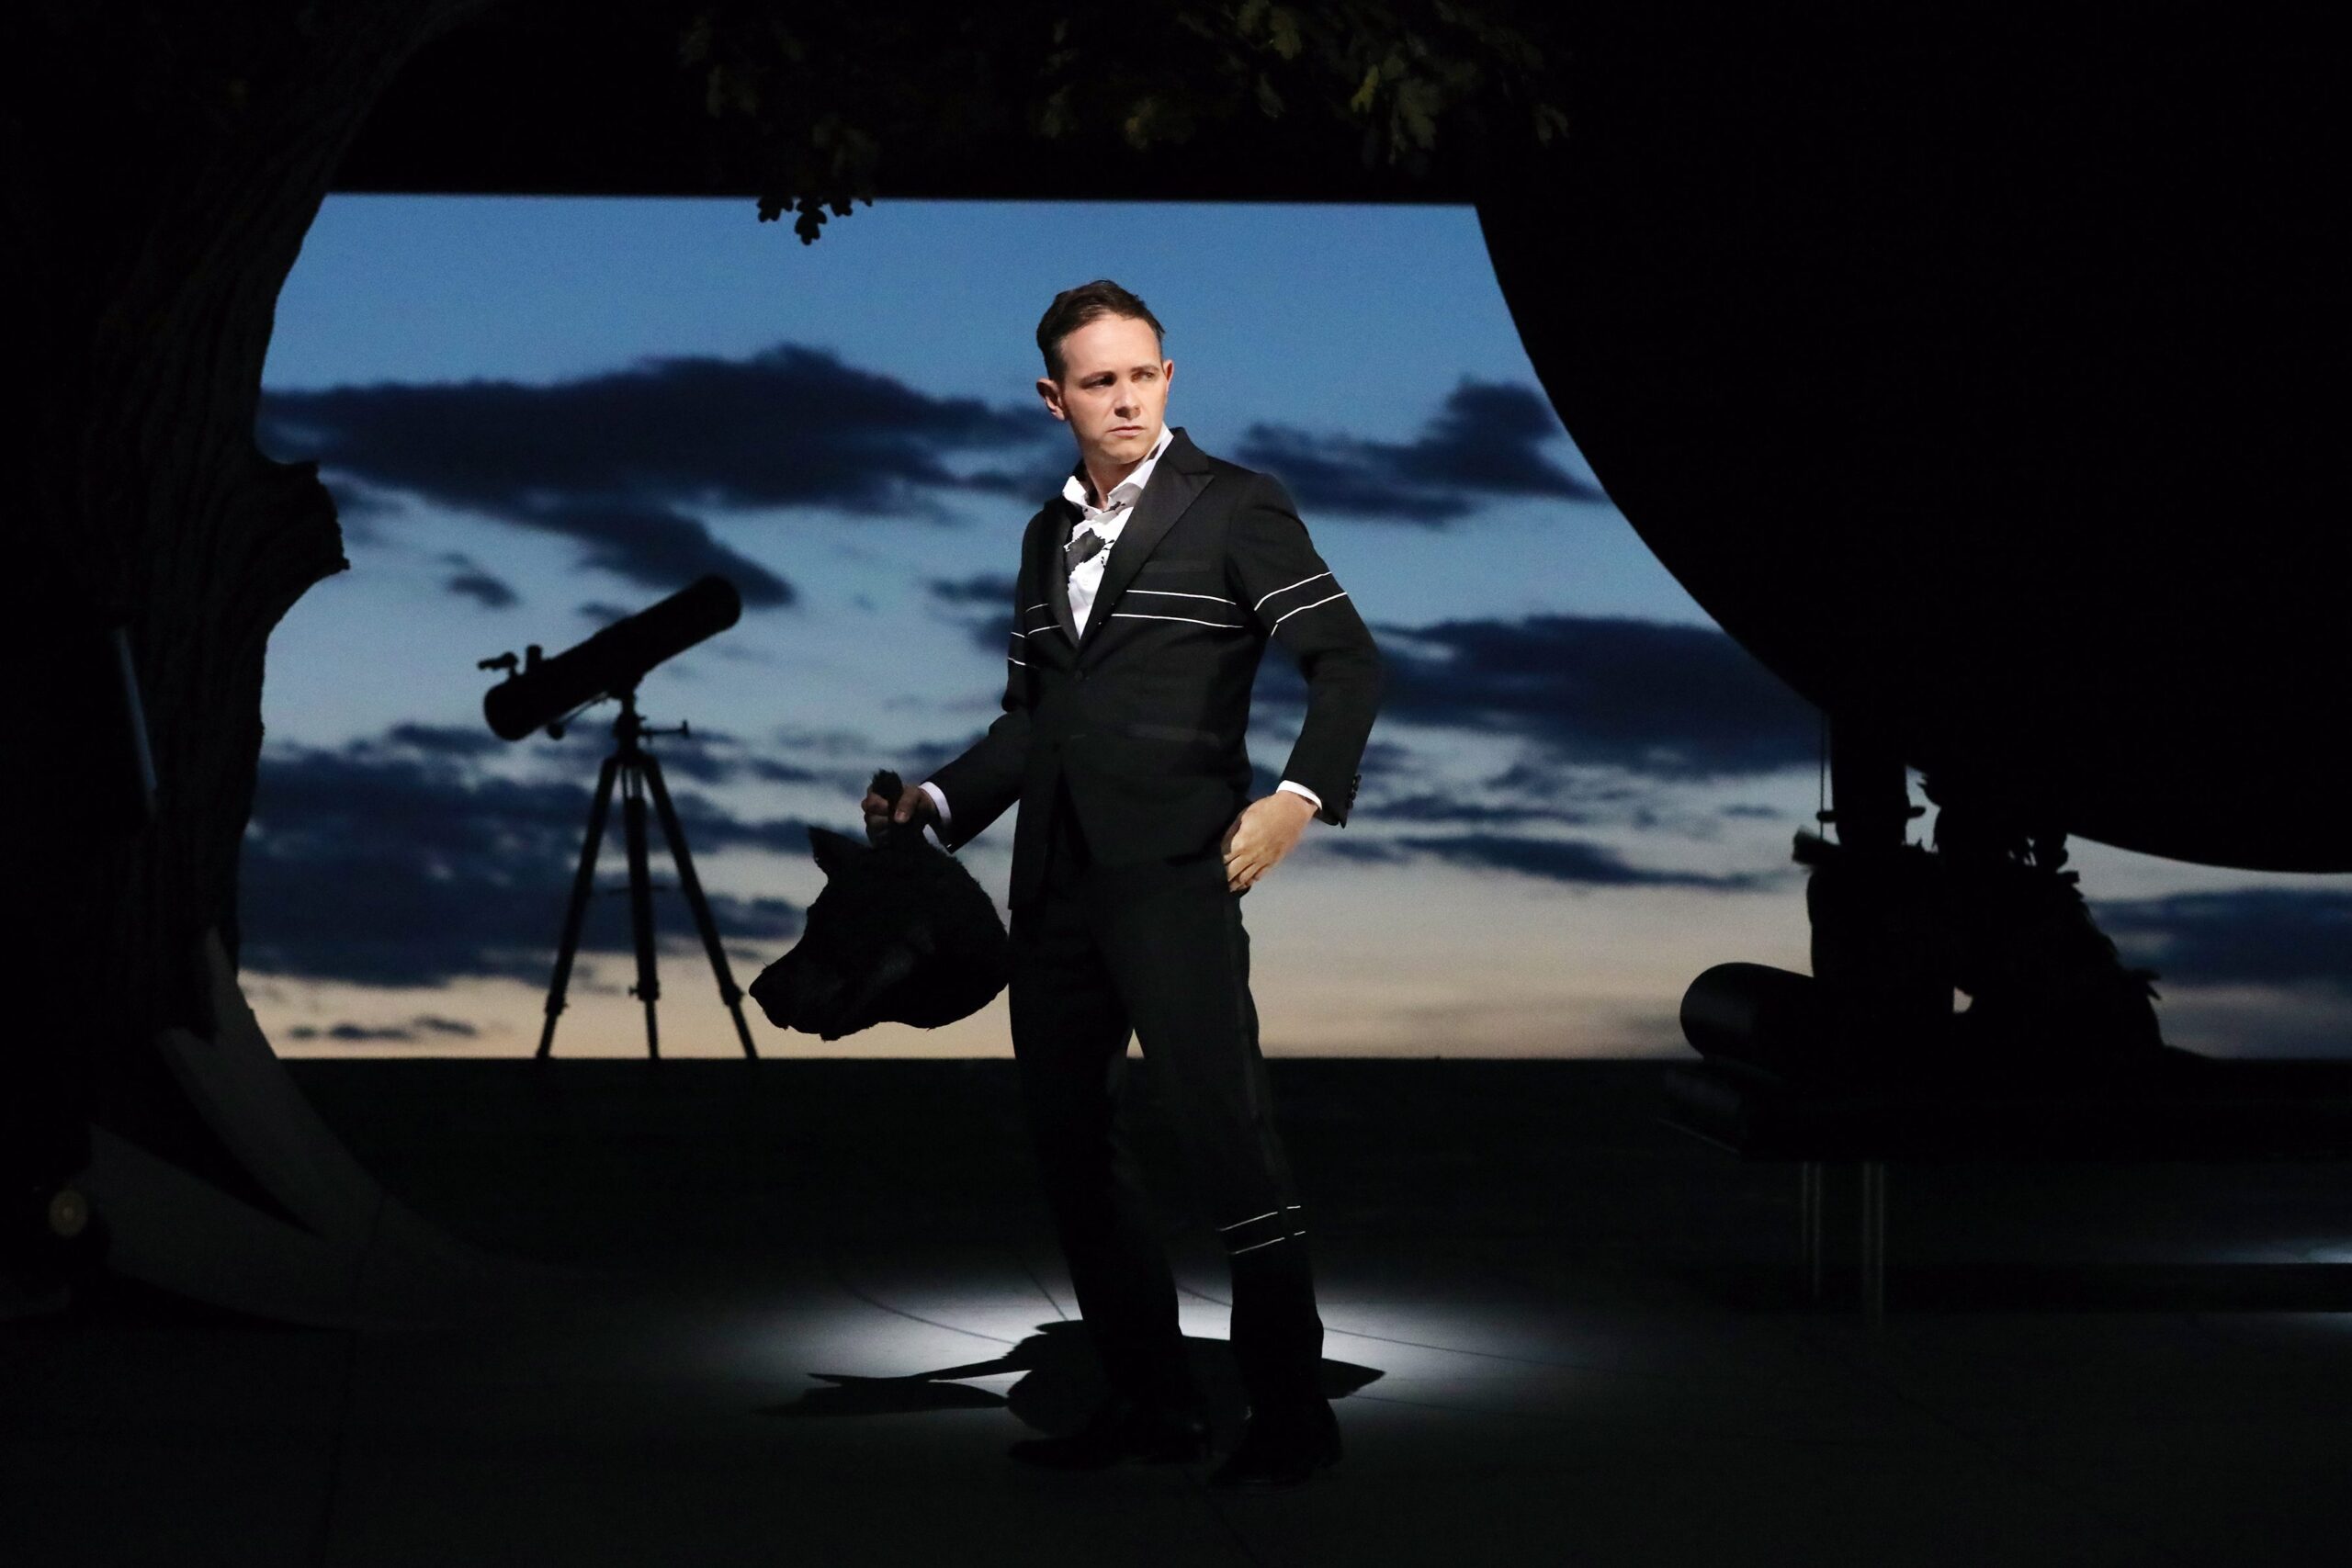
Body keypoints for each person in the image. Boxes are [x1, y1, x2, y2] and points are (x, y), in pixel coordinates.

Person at [862, 279, 1380, 1487]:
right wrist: (935, 806)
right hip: (1053, 887)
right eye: (1099, 381)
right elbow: (1030, 721)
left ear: (1169, 376)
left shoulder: (1236, 507)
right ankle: (1152, 1404)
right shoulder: (1047, 536)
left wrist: (1297, 798)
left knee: (1228, 1144)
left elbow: (1346, 663)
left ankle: (1295, 1418)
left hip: (1176, 878)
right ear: (1056, 399)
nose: (1127, 397)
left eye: (1142, 373)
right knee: (1071, 1149)